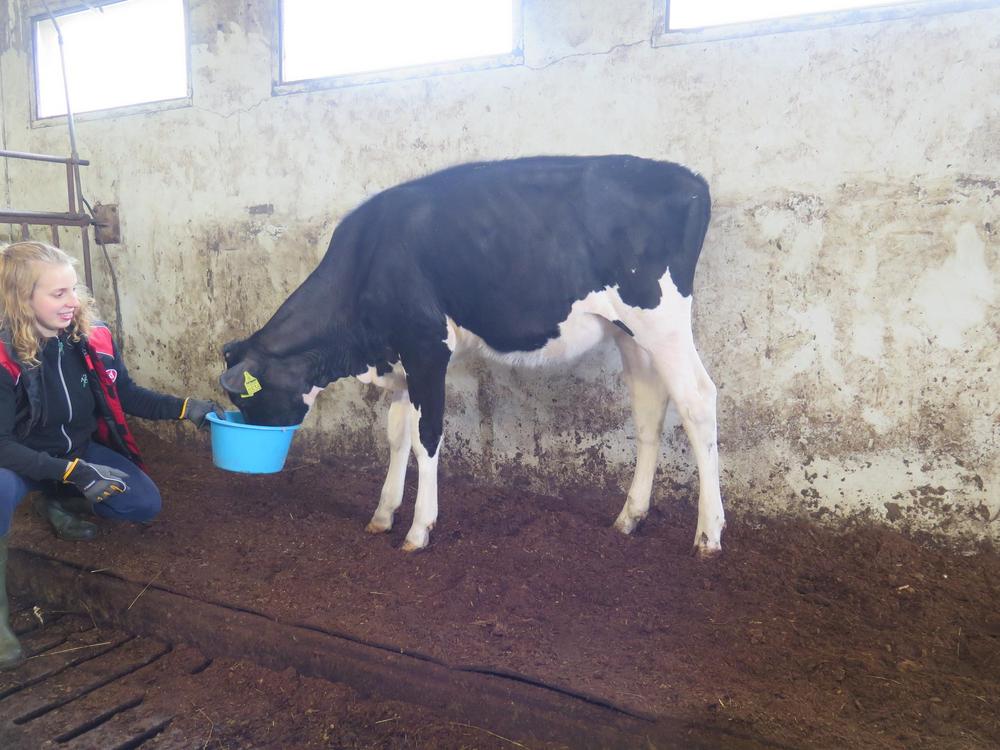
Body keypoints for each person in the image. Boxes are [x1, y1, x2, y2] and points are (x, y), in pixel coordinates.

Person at [0, 241, 223, 669]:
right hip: (19, 460)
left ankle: (58, 502)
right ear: (22, 298)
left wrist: (186, 408)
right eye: (58, 293)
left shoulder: (91, 338)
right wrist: (71, 471)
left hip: (78, 452)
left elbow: (126, 394)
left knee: (142, 503)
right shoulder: (4, 356)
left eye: (73, 289)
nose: (72, 301)